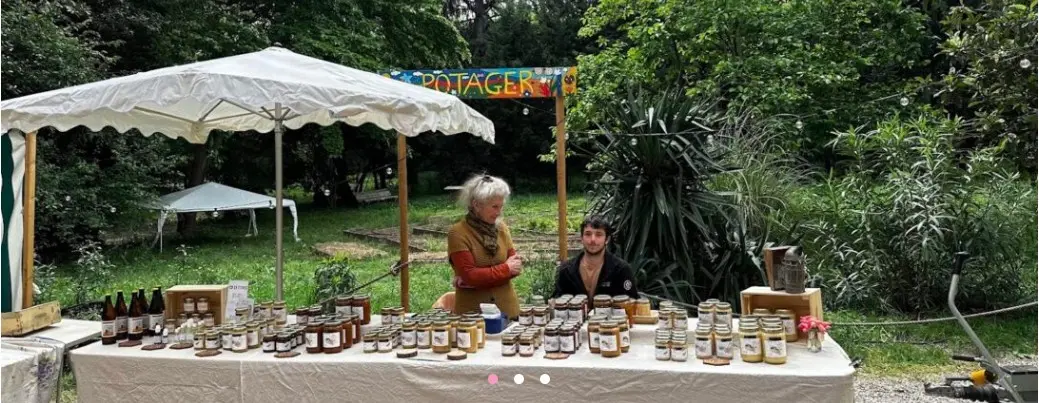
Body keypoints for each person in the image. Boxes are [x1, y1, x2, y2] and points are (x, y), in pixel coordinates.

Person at [447, 174, 523, 318]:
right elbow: (471, 276)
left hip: (508, 311)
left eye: (501, 206)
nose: (499, 212)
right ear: (476, 205)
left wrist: (482, 278)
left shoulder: (501, 228)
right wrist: (505, 269)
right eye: (494, 207)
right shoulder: (458, 233)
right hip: (473, 317)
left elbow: (516, 266)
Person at [552, 215, 639, 299]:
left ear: (607, 239)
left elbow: (633, 303)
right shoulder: (566, 271)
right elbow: (557, 302)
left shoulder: (621, 270)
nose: (593, 239)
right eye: (588, 234)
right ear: (581, 238)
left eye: (598, 234)